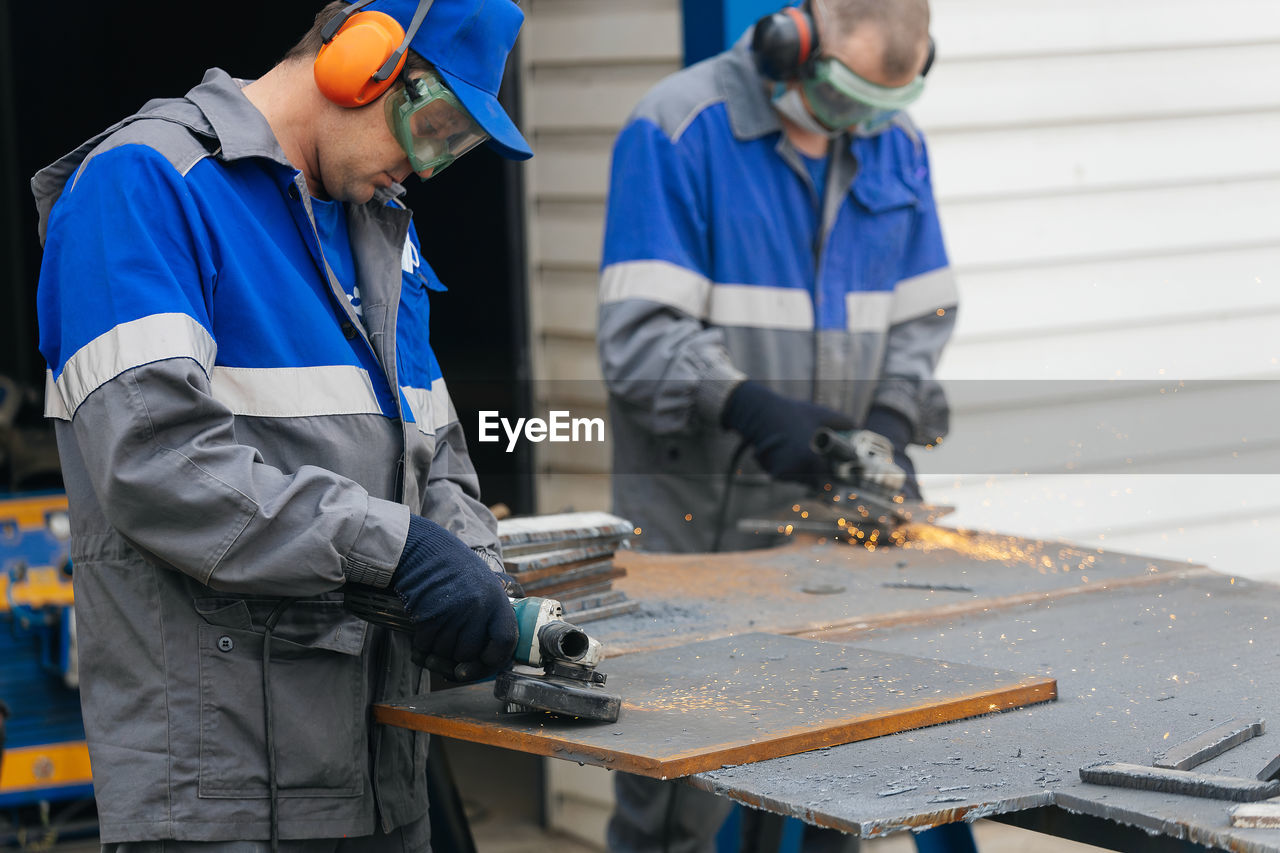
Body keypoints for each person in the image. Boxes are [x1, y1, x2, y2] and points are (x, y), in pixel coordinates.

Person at [32, 0, 530, 849]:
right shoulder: (144, 187)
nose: (427, 165)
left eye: (453, 147)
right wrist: (399, 551)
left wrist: (475, 576)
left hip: (378, 771)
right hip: (221, 792)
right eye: (435, 126)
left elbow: (434, 446)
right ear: (363, 60)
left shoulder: (378, 230)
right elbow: (159, 463)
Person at [597, 0, 962, 850]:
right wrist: (748, 404)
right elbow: (638, 338)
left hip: (827, 533)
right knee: (674, 793)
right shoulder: (680, 131)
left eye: (882, 104)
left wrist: (890, 423)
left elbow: (922, 313)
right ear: (791, 41)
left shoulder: (893, 147)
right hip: (697, 532)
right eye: (846, 97)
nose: (857, 123)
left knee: (833, 785)